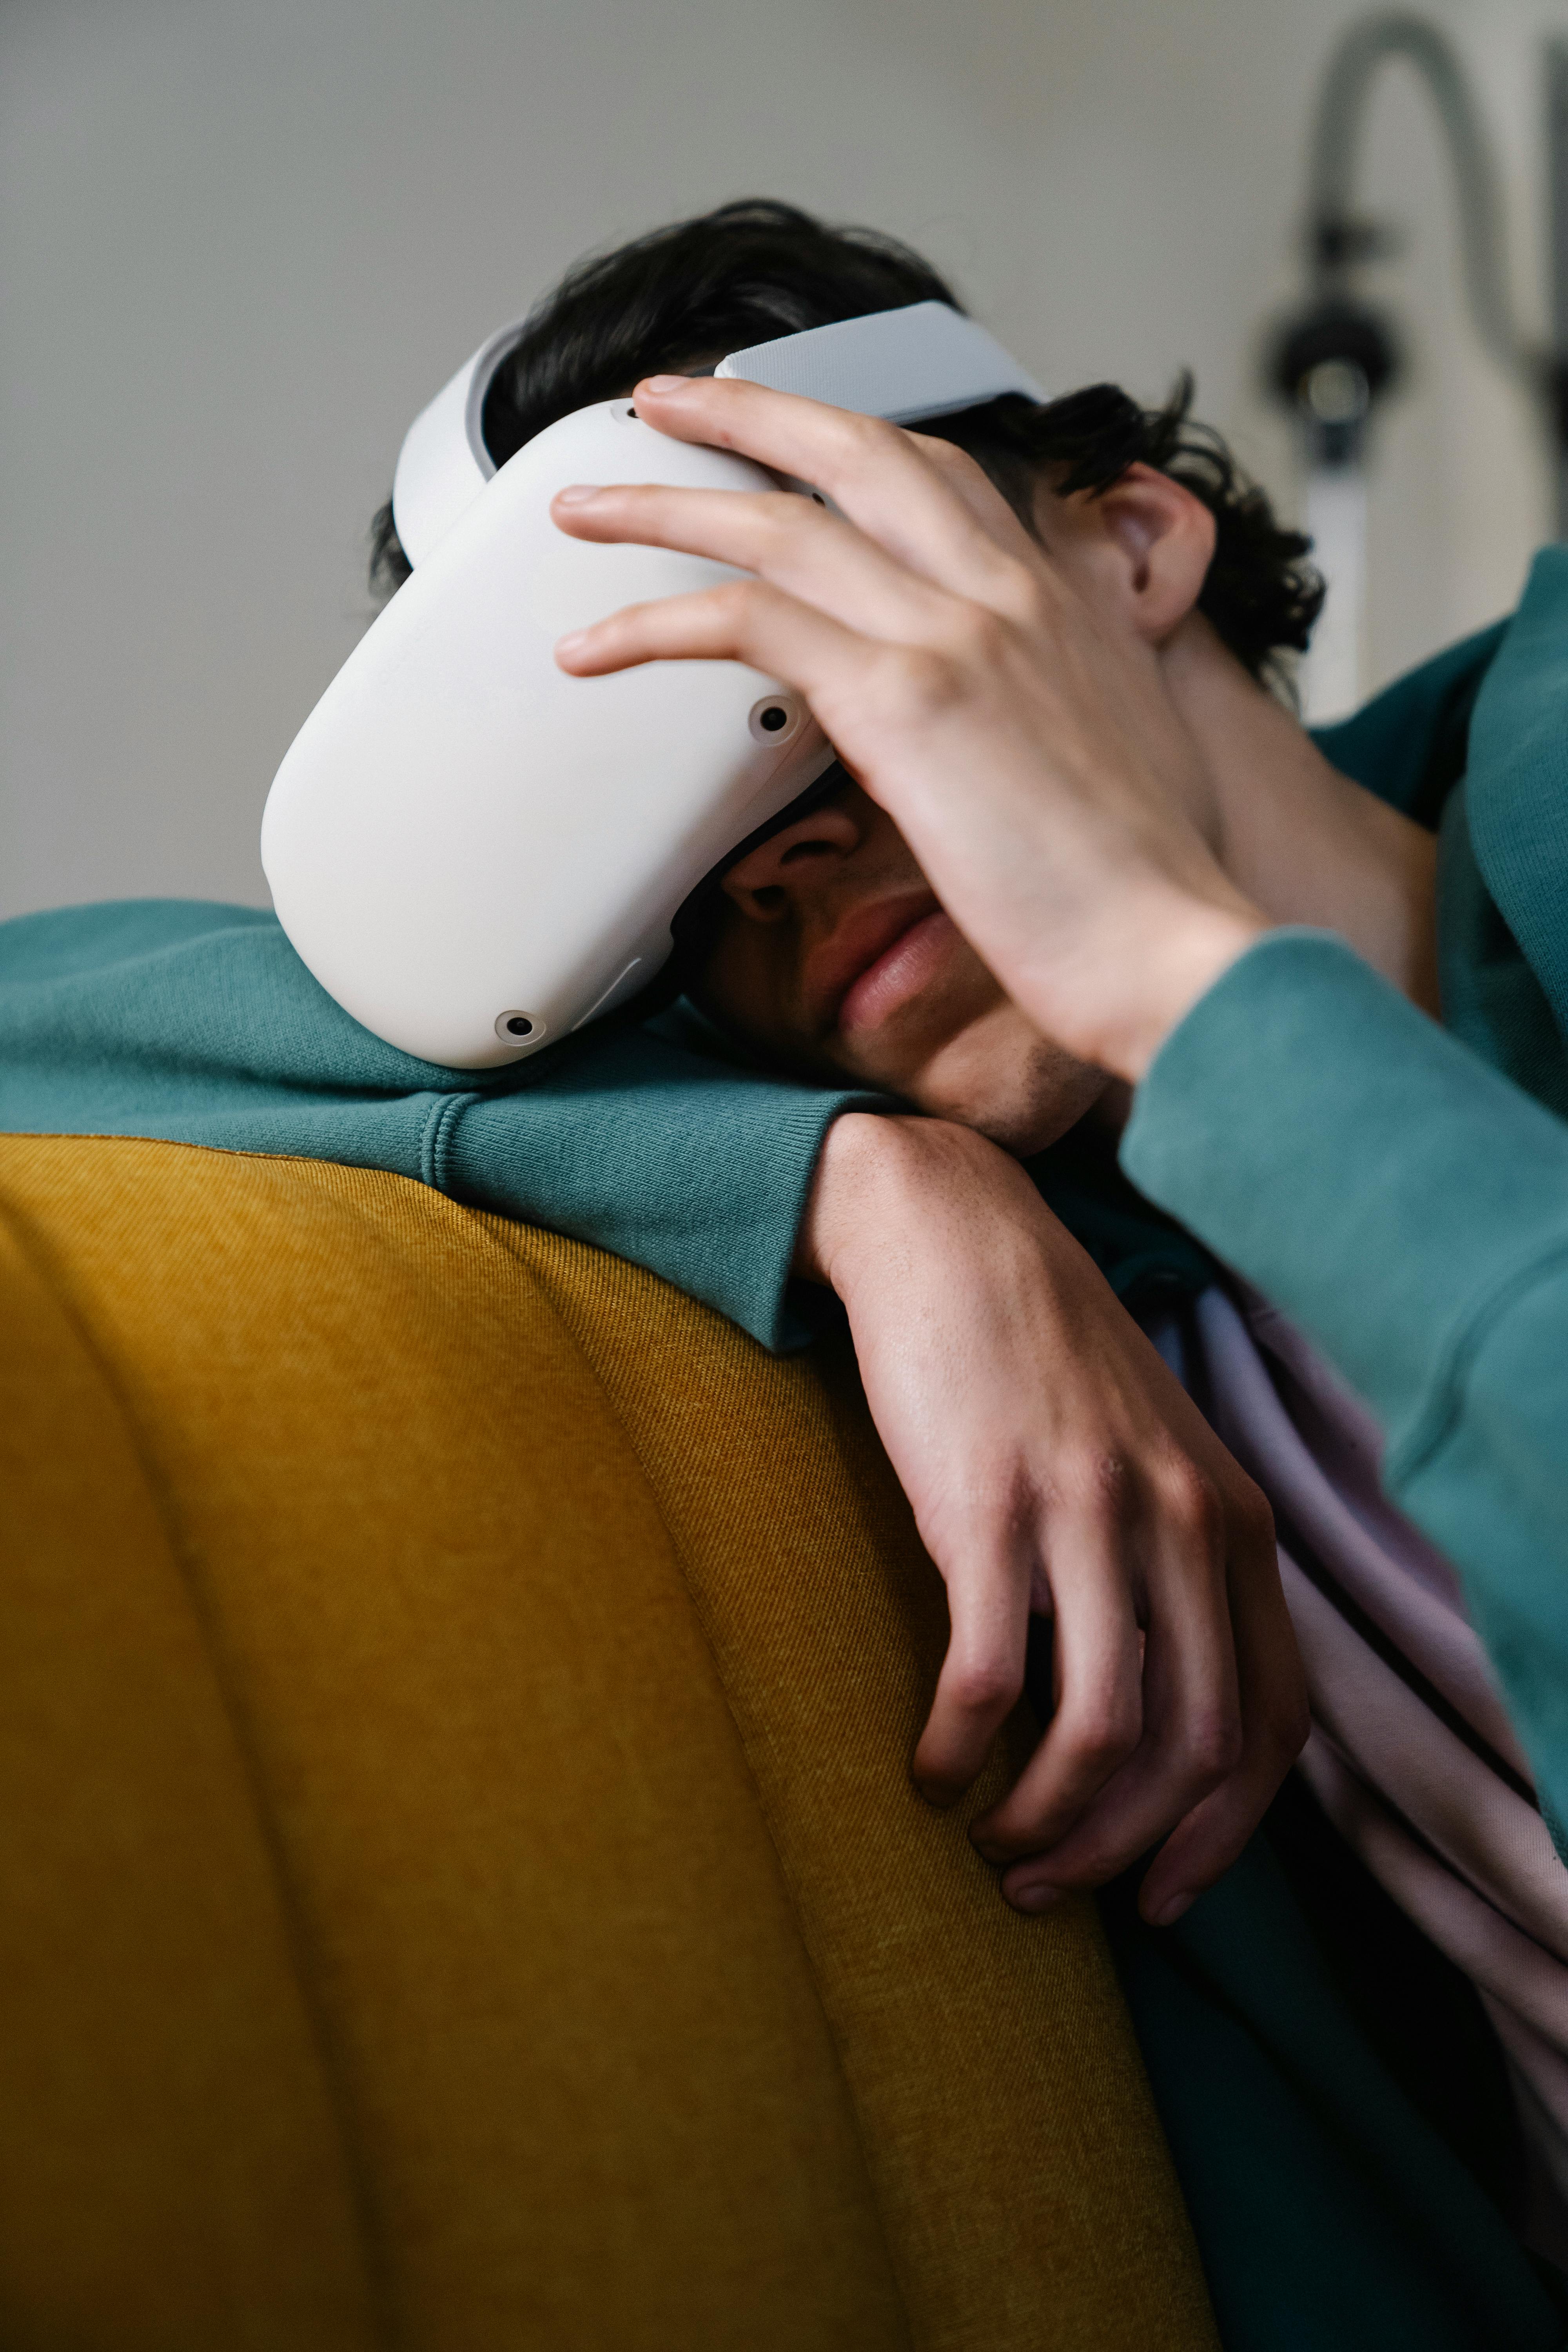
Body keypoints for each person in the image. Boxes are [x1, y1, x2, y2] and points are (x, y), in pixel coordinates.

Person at [3, 200, 1564, 2346]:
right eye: (662, 870)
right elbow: (36, 1014)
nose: (774, 852)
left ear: (1127, 543)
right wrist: (845, 1180)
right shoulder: (1089, 1275)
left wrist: (1166, 973)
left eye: (820, 665)